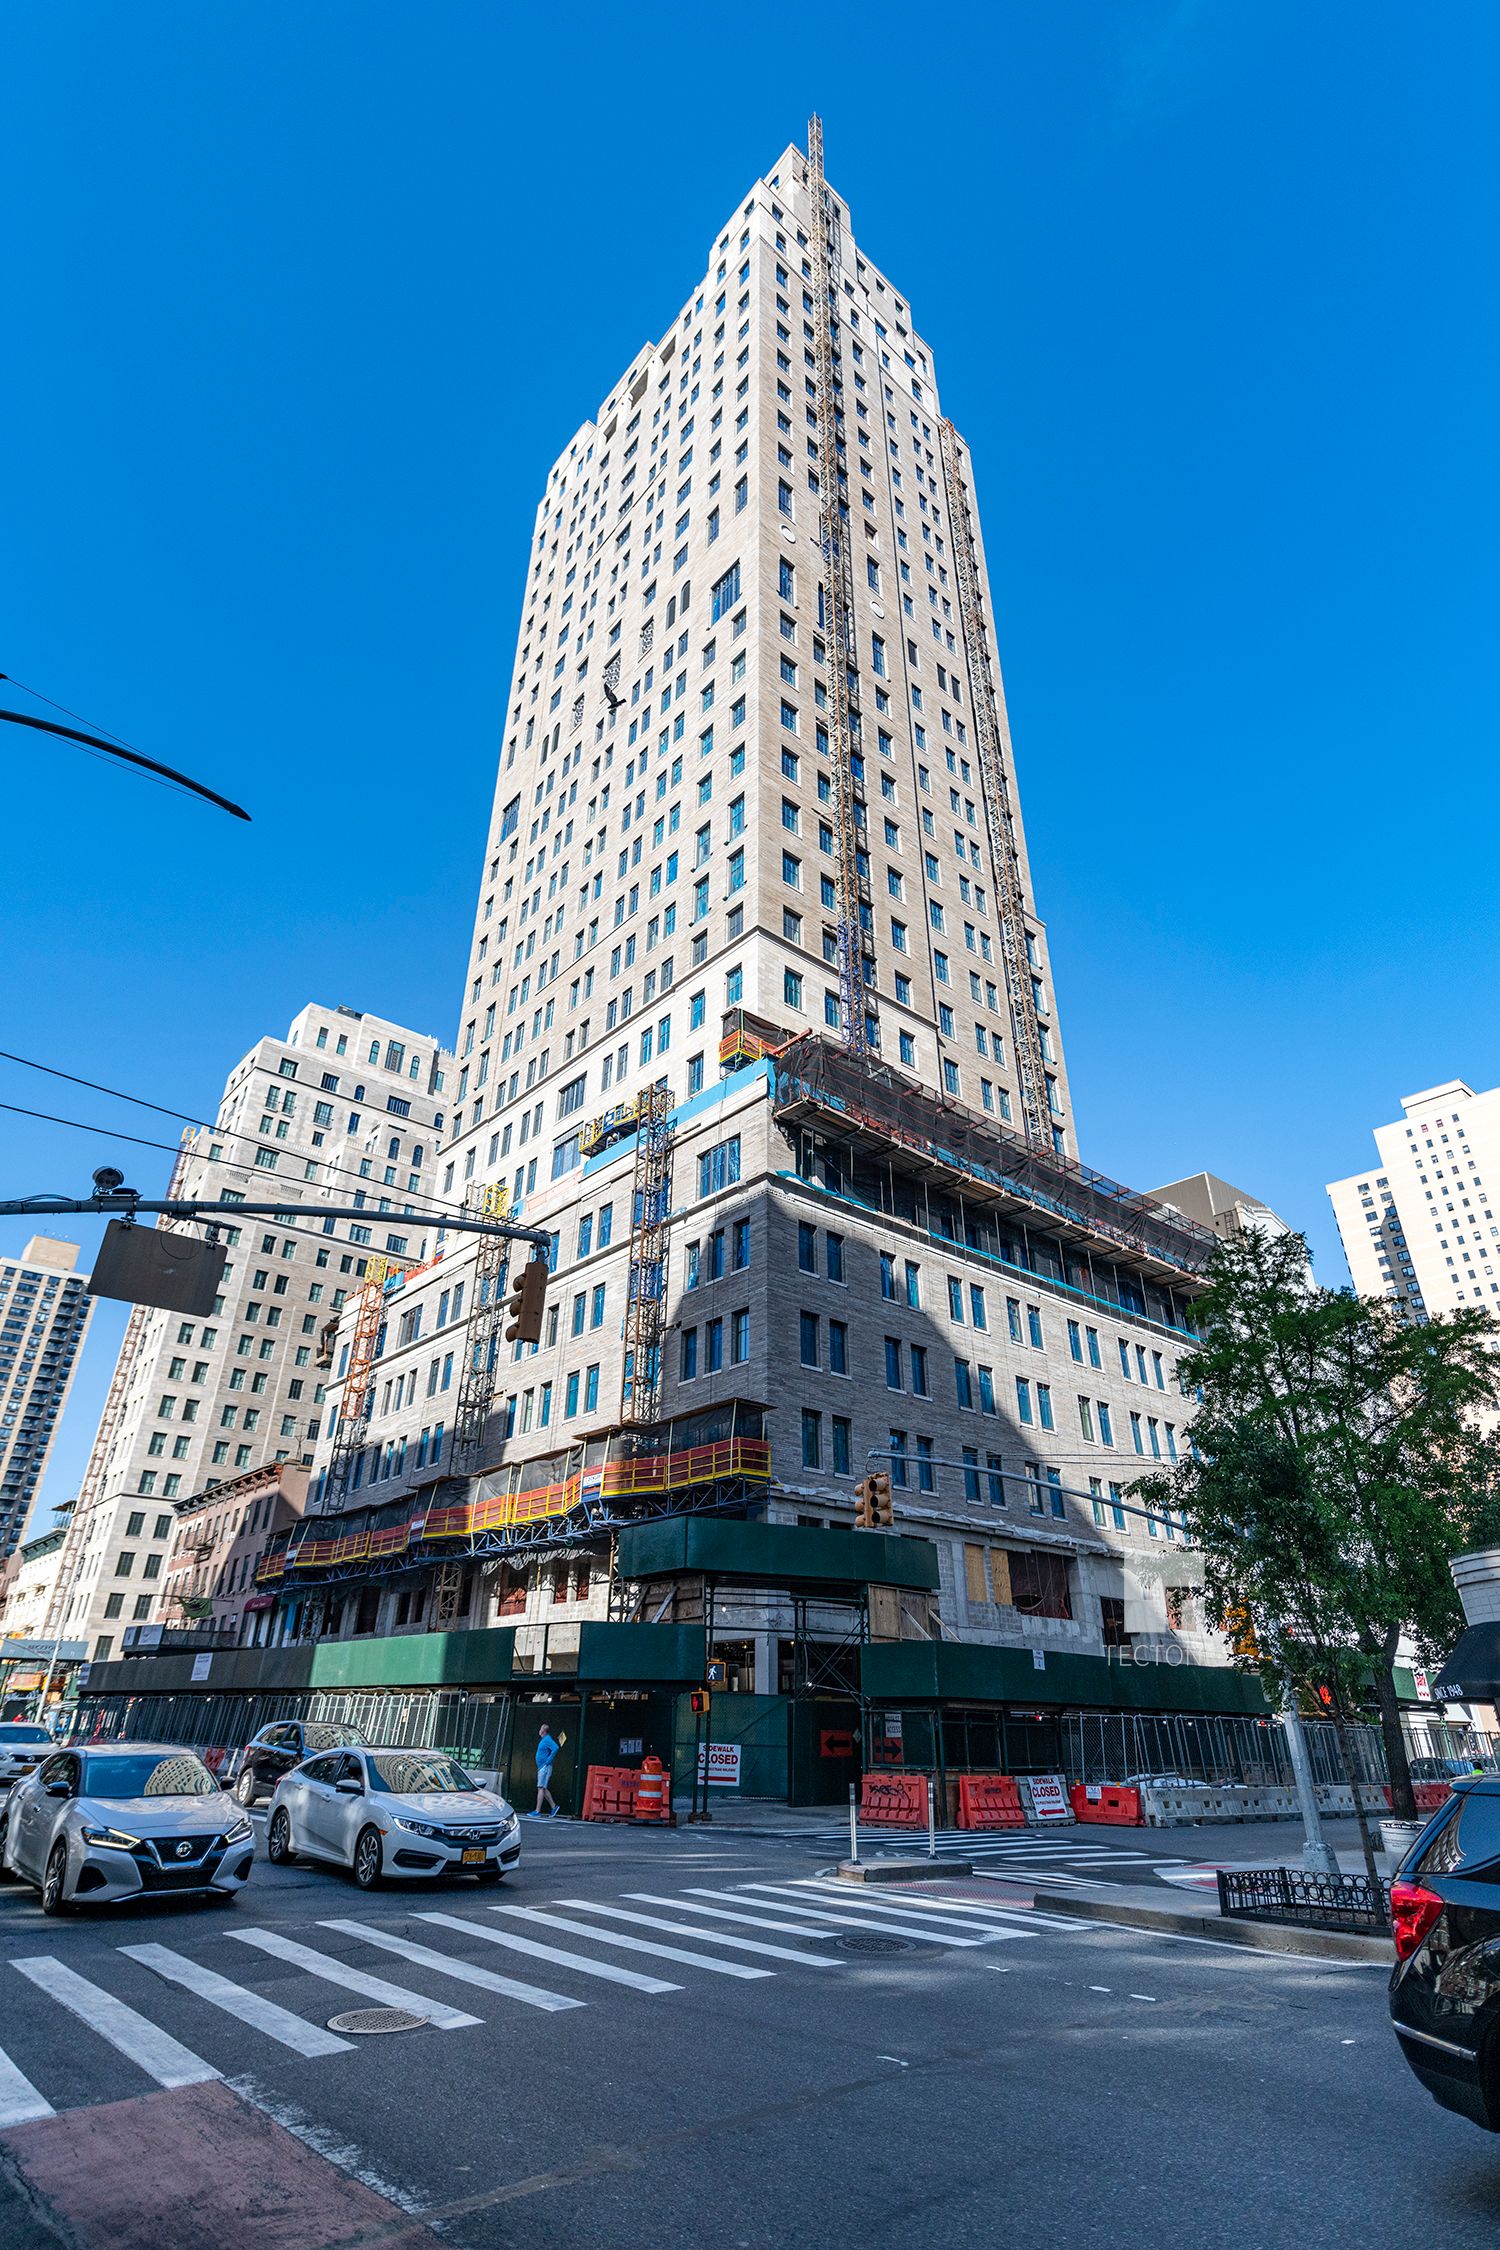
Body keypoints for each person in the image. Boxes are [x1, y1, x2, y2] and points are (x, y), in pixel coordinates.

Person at [527, 1724, 561, 1818]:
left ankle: (537, 1811)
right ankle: (554, 1807)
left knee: (540, 1788)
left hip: (544, 1767)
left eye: (540, 1729)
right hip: (543, 1767)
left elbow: (556, 1748)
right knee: (543, 1788)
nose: (539, 1730)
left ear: (543, 1731)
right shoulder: (545, 1740)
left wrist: (548, 1761)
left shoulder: (547, 1739)